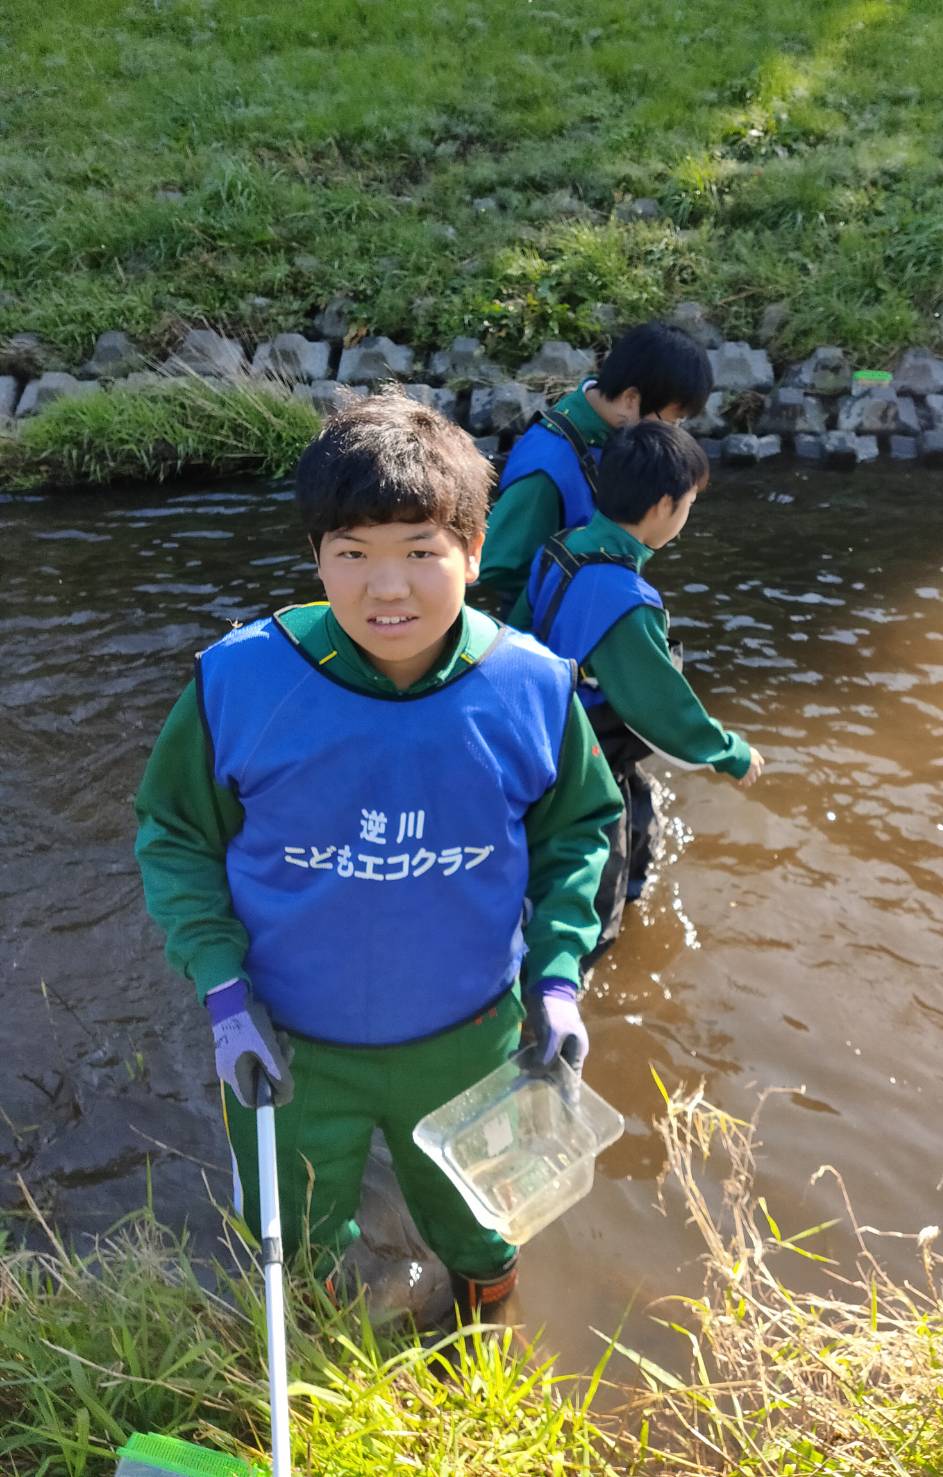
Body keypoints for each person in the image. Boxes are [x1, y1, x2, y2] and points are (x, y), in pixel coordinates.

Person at [134, 388, 622, 1324]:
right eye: (352, 554)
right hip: (285, 1043)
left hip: (471, 1038)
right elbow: (177, 836)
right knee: (288, 1234)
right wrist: (223, 993)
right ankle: (324, 1369)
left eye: (421, 553)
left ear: (475, 553)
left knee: (483, 1224)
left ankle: (482, 1349)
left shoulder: (530, 686)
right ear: (317, 557)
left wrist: (557, 979)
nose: (385, 588)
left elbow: (576, 835)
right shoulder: (240, 680)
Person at [510, 420, 764, 960]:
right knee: (600, 864)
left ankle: (622, 907)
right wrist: (731, 753)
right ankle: (583, 968)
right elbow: (661, 710)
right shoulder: (626, 600)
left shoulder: (562, 546)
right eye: (689, 503)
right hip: (587, 753)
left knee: (637, 816)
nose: (687, 516)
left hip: (547, 726)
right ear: (663, 507)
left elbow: (520, 629)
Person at [479, 320, 713, 615]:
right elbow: (499, 565)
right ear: (631, 399)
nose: (675, 433)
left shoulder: (608, 428)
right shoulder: (548, 467)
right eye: (672, 421)